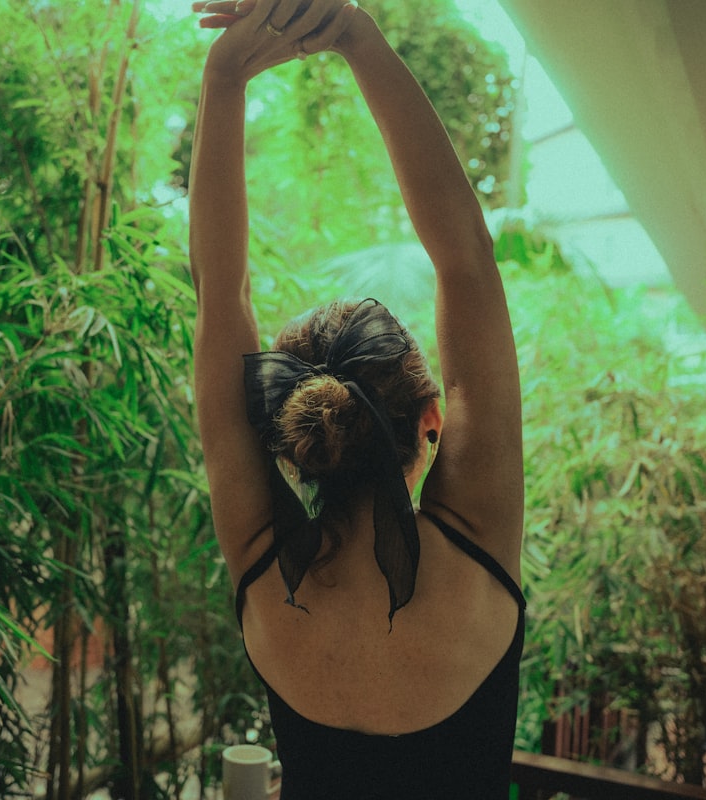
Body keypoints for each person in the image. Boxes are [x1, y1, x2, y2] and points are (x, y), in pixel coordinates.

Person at [188, 0, 524, 796]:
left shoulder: (264, 570)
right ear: (431, 422)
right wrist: (353, 32)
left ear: (287, 432)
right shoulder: (478, 547)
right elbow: (466, 259)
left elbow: (218, 292)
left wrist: (223, 75)